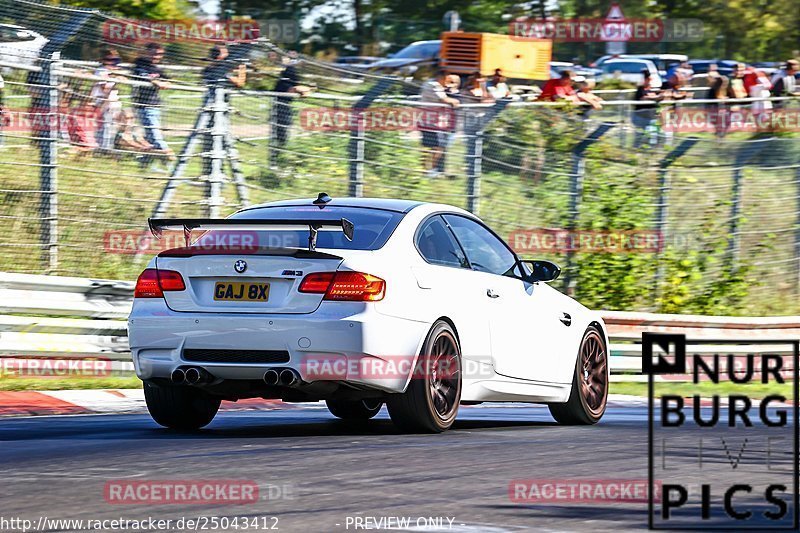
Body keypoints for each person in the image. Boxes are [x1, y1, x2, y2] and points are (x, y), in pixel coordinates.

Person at [131, 43, 172, 161]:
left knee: (150, 136)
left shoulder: (157, 68)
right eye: (153, 53)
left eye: (159, 54)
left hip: (155, 105)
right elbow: (146, 77)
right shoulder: (140, 64)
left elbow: (168, 80)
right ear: (147, 52)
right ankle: (173, 164)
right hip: (143, 105)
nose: (156, 56)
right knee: (156, 136)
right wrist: (157, 82)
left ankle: (144, 162)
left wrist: (166, 83)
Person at [270, 55, 312, 163]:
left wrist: (305, 89)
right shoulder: (285, 81)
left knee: (282, 134)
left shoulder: (285, 78)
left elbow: (301, 89)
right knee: (280, 135)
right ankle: (276, 159)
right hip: (281, 109)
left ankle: (278, 158)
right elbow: (294, 89)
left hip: (283, 108)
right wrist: (303, 89)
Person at [418, 69, 459, 178]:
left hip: (437, 123)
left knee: (439, 146)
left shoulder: (439, 86)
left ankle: (432, 169)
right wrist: (454, 101)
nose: (448, 82)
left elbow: (452, 95)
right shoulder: (432, 85)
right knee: (428, 147)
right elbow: (444, 100)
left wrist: (452, 90)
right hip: (428, 122)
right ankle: (425, 171)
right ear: (442, 77)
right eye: (447, 79)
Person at [91, 48, 122, 152]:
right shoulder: (101, 71)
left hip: (113, 101)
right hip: (103, 101)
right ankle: (103, 148)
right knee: (105, 124)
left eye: (115, 60)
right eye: (109, 60)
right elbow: (105, 88)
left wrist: (116, 76)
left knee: (112, 124)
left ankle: (108, 146)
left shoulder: (115, 71)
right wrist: (114, 77)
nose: (113, 63)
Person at [632, 69, 662, 147]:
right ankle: (636, 149)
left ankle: (650, 151)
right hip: (641, 116)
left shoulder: (651, 89)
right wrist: (655, 97)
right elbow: (642, 98)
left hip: (651, 117)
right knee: (640, 135)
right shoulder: (640, 89)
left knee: (653, 135)